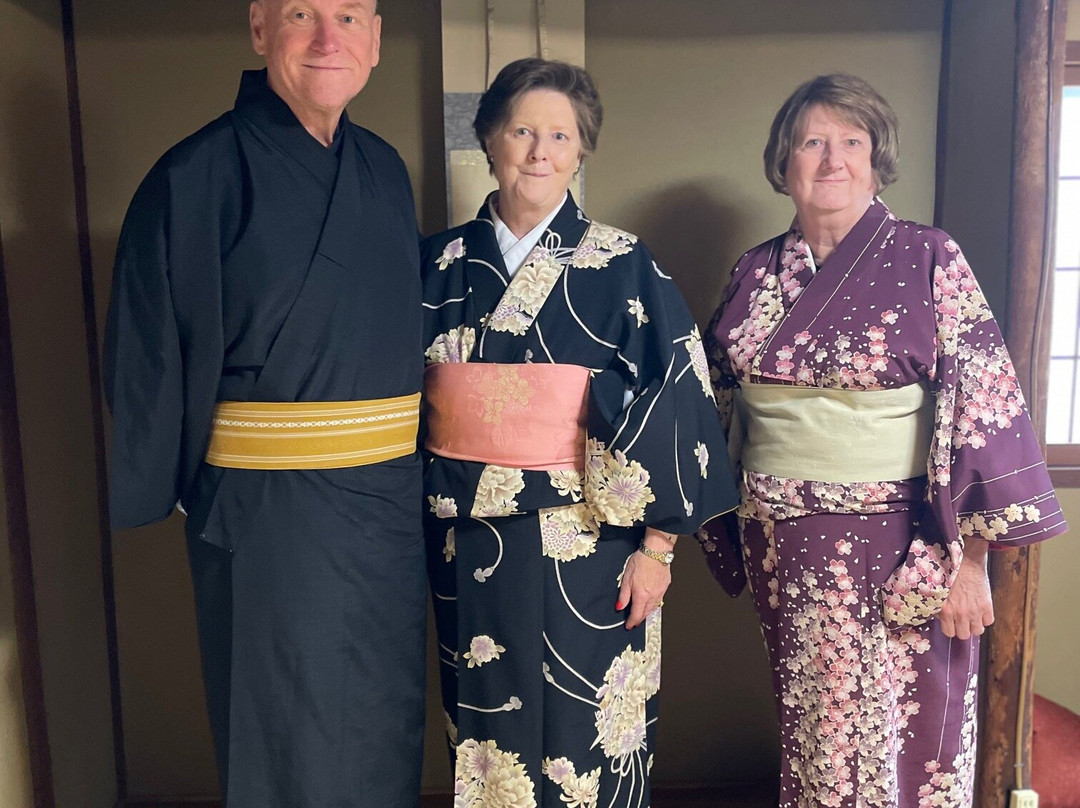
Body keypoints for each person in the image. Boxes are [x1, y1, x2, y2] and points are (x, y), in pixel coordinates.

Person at [697, 73, 1067, 808]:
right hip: (790, 549)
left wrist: (970, 566)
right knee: (818, 746)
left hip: (912, 543)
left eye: (852, 143)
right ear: (784, 162)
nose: (832, 160)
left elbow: (982, 408)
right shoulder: (754, 273)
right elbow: (710, 402)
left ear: (876, 159)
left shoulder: (929, 256)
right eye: (812, 142)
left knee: (920, 742)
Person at [103, 2, 426, 806]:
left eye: (349, 16)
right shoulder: (195, 175)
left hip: (386, 505)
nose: (328, 39)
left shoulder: (384, 170)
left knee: (384, 725)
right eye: (300, 15)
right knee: (282, 732)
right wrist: (188, 485)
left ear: (377, 41)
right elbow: (147, 347)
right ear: (258, 31)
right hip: (267, 510)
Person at [421, 57, 739, 807]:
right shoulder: (435, 264)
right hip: (466, 537)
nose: (539, 151)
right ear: (489, 139)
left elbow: (679, 398)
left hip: (594, 540)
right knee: (484, 733)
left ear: (581, 149)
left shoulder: (626, 265)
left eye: (559, 135)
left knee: (590, 736)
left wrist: (659, 549)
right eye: (521, 130)